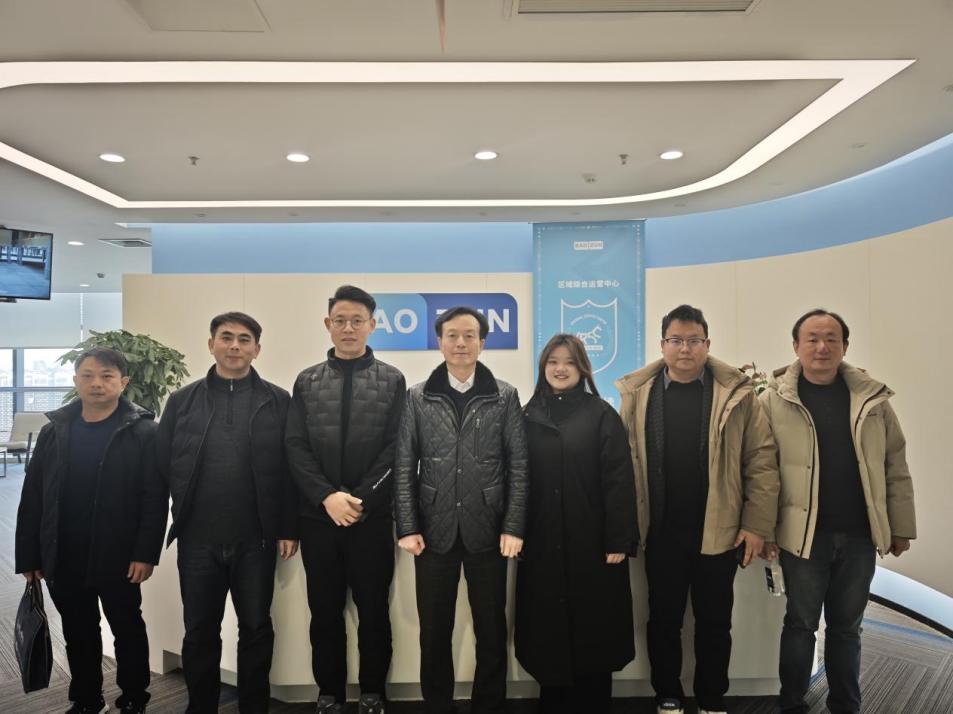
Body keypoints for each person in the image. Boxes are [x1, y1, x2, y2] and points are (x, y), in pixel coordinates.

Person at [615, 304, 779, 714]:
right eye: (676, 340)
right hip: (660, 531)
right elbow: (622, 463)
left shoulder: (736, 395)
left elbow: (761, 462)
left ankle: (711, 697)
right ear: (662, 345)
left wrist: (756, 525)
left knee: (714, 621)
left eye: (693, 340)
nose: (684, 348)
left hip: (719, 531)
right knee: (663, 620)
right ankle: (667, 694)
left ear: (707, 344)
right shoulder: (638, 394)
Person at [759, 309, 916, 714]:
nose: (822, 346)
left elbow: (895, 465)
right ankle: (792, 703)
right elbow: (761, 472)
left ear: (845, 346)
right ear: (796, 346)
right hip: (803, 537)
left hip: (859, 535)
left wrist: (900, 526)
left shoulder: (872, 400)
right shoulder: (773, 401)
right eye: (812, 338)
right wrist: (765, 531)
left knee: (847, 628)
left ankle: (846, 704)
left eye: (831, 338)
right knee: (800, 625)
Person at [157, 312, 299, 713]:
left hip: (256, 539)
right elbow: (163, 465)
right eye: (226, 337)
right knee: (199, 631)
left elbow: (291, 470)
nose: (235, 345)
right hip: (197, 540)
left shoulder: (278, 400)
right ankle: (200, 706)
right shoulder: (182, 401)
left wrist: (288, 527)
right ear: (211, 344)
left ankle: (254, 706)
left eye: (244, 339)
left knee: (256, 628)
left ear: (257, 349)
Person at [15, 347, 166, 714]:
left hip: (119, 555)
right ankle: (86, 699)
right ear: (75, 380)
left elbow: (155, 498)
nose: (97, 383)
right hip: (63, 552)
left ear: (123, 382)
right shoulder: (53, 432)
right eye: (88, 375)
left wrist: (145, 553)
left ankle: (134, 697)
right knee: (78, 632)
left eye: (107, 376)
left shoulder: (145, 432)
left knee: (127, 629)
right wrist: (29, 556)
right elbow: (33, 496)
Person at [394, 306, 529, 714]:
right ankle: (437, 704)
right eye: (452, 335)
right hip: (432, 531)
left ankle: (490, 705)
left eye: (470, 335)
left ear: (482, 343)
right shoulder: (417, 396)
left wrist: (513, 525)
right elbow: (404, 464)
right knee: (434, 631)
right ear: (440, 342)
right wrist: (407, 526)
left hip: (488, 529)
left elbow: (519, 464)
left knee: (491, 629)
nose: (461, 343)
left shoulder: (504, 395)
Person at [285, 285, 406, 714]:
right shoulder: (307, 380)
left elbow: (397, 448)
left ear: (372, 325)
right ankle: (329, 694)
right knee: (324, 612)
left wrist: (359, 500)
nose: (349, 328)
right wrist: (326, 497)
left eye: (357, 320)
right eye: (340, 320)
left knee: (374, 612)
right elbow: (295, 447)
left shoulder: (393, 380)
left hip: (371, 519)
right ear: (328, 324)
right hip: (318, 519)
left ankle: (373, 692)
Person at [515, 334, 638, 714]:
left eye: (569, 362)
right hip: (541, 542)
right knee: (547, 630)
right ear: (543, 367)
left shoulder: (601, 414)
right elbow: (516, 479)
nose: (560, 368)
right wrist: (515, 531)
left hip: (593, 544)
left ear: (583, 368)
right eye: (553, 361)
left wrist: (618, 539)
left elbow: (619, 480)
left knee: (594, 630)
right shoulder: (526, 416)